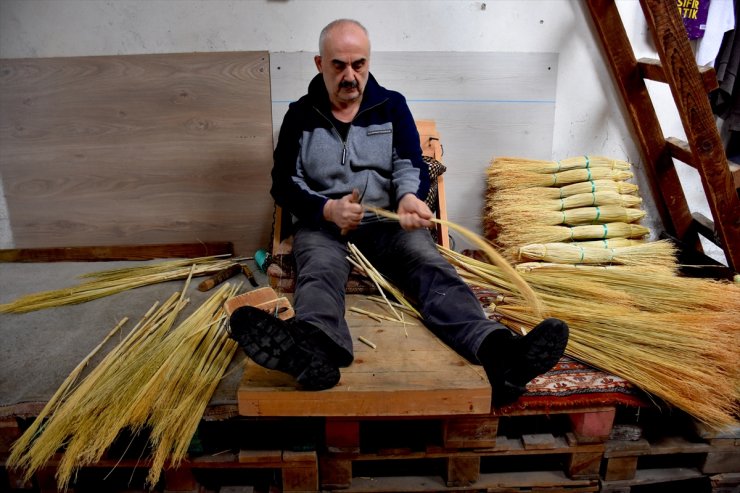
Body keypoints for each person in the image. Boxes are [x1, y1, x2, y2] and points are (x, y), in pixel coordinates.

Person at [229, 19, 569, 406]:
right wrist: (326, 209)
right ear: (319, 63)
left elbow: (411, 163)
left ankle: (500, 353)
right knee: (318, 272)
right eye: (339, 65)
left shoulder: (391, 105)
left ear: (368, 62)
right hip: (325, 226)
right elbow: (284, 184)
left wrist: (409, 197)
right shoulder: (300, 116)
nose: (350, 76)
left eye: (359, 64)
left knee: (431, 265)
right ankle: (314, 351)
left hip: (386, 222)